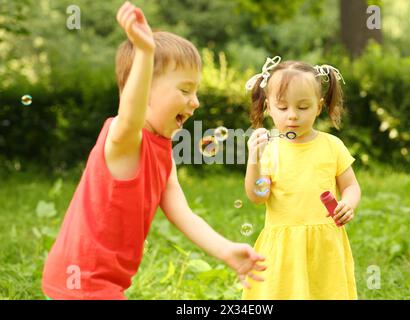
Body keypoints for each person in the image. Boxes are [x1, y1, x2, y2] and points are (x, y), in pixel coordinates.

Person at [42, 1, 266, 300]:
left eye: (196, 91)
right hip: (82, 280)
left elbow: (182, 214)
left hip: (108, 282)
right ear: (143, 91)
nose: (195, 101)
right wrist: (145, 52)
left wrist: (225, 250)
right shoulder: (123, 140)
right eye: (185, 90)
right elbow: (131, 113)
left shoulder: (163, 154)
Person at [242, 56, 361, 299]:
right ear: (269, 108)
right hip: (284, 248)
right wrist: (253, 159)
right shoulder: (270, 150)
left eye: (303, 107)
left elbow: (351, 186)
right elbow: (257, 195)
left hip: (325, 245)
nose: (293, 115)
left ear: (318, 107)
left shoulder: (332, 145)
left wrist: (348, 203)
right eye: (283, 107)